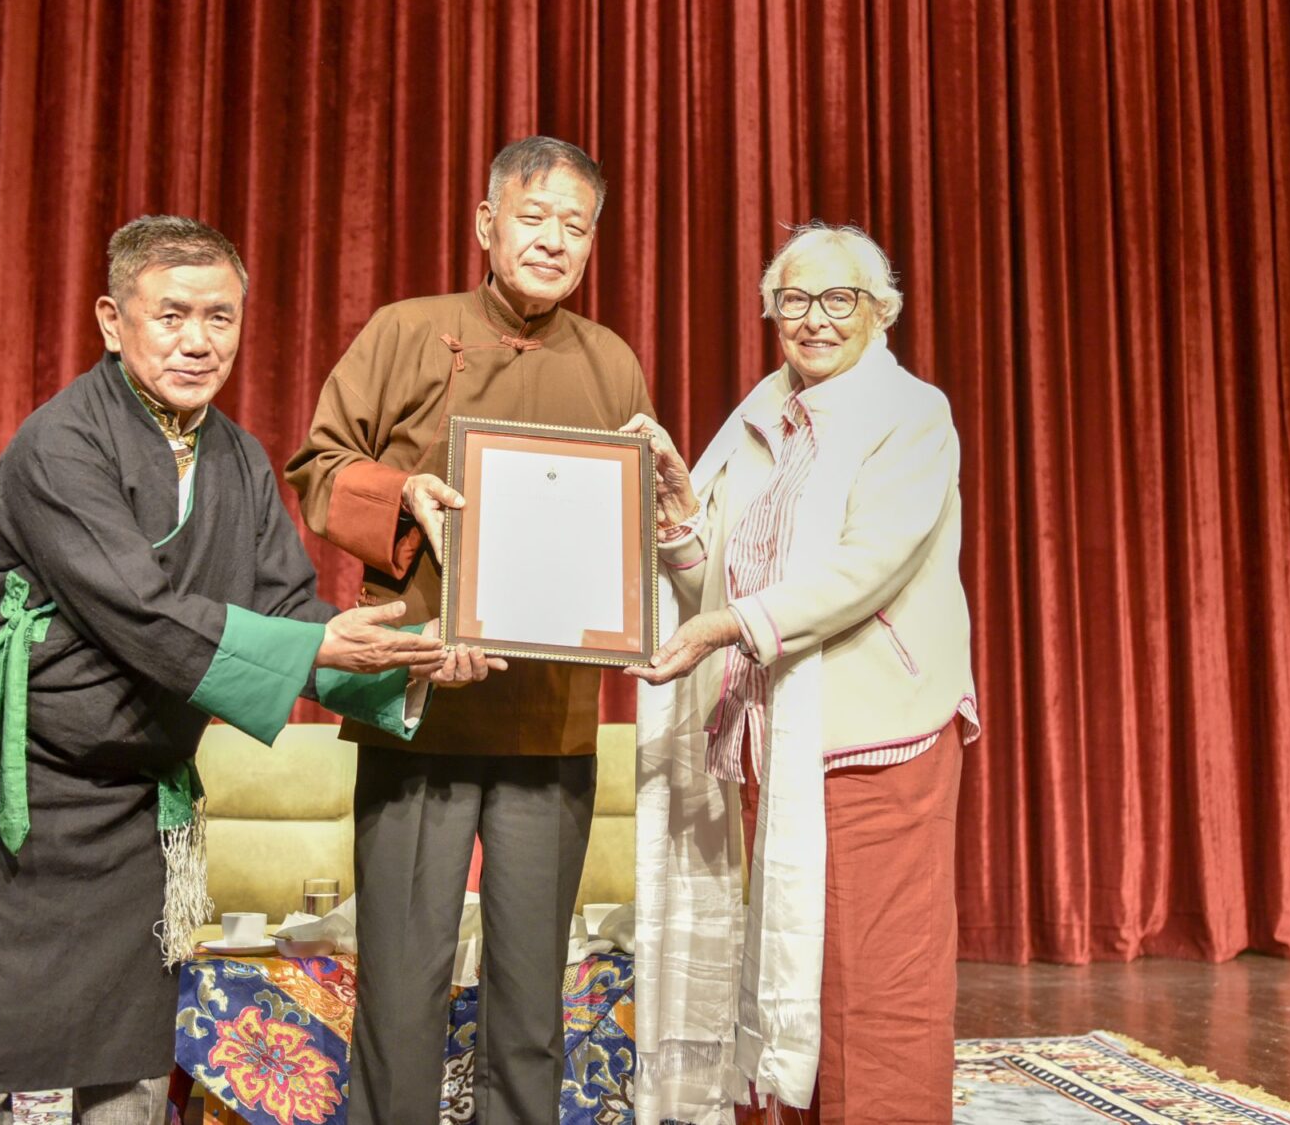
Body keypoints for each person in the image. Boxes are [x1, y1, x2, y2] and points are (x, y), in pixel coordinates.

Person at [0, 216, 493, 1125]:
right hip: (18, 787)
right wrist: (317, 646)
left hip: (137, 807)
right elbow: (141, 612)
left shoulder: (239, 458)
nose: (198, 340)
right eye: (171, 314)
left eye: (220, 317)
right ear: (112, 321)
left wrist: (409, 658)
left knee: (126, 1057)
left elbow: (289, 611)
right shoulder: (59, 444)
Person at [284, 136, 655, 1124]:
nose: (554, 241)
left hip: (550, 719)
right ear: (487, 224)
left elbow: (624, 523)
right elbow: (319, 467)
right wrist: (404, 492)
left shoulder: (611, 360)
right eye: (533, 217)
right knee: (401, 987)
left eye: (576, 225)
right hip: (420, 704)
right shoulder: (406, 330)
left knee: (532, 997)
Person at [625, 222, 978, 1125]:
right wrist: (680, 518)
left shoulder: (911, 413)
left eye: (838, 299)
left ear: (880, 312)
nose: (814, 318)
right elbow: (720, 578)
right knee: (790, 971)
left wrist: (727, 625)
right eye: (794, 300)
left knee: (872, 980)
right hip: (773, 736)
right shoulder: (763, 414)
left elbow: (867, 568)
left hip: (873, 736)